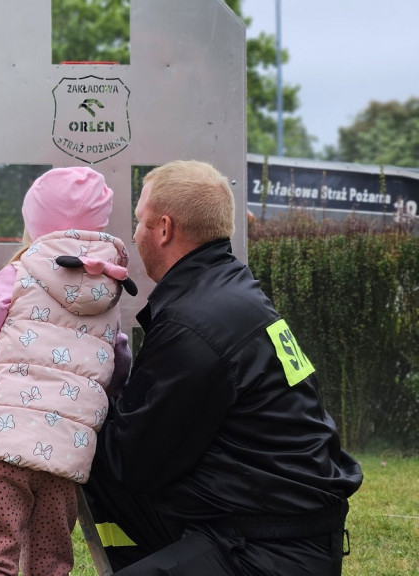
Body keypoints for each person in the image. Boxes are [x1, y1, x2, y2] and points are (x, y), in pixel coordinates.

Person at [82, 160, 364, 575]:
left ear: (164, 228)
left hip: (268, 551)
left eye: (139, 221)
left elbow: (129, 461)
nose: (135, 234)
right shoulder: (226, 290)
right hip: (284, 526)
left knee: (98, 459)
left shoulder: (194, 323)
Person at [0, 166, 134, 575]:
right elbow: (118, 360)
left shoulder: (17, 272)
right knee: (51, 561)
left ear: (35, 222)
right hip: (64, 455)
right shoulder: (108, 289)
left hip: (1, 443)